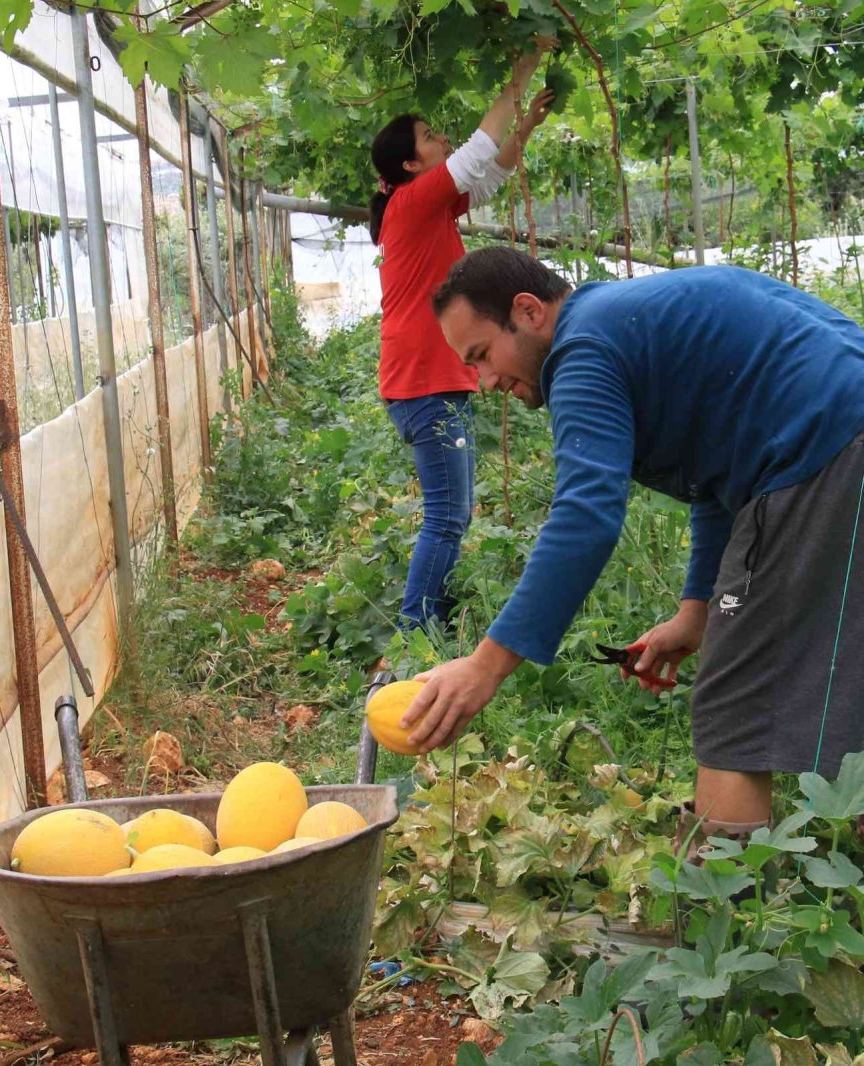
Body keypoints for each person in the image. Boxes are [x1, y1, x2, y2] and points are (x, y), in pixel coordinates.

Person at [399, 245, 864, 849]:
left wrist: (485, 667)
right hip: (839, 430)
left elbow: (586, 514)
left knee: (733, 703)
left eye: (483, 354)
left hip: (827, 444)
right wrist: (695, 614)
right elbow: (717, 476)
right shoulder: (621, 322)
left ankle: (728, 909)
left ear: (529, 310)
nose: (484, 382)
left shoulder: (581, 349)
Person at [370, 46, 556, 629]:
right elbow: (477, 153)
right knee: (447, 516)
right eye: (429, 137)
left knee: (453, 513)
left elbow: (491, 174)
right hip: (423, 384)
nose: (441, 139)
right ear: (409, 165)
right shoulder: (410, 201)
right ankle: (417, 633)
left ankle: (430, 624)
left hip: (428, 383)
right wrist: (519, 73)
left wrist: (524, 126)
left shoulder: (428, 211)